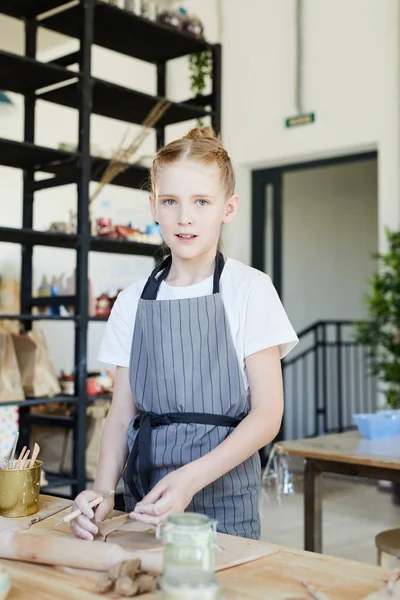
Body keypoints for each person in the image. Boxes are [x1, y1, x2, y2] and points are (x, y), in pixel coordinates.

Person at [70, 126, 298, 541]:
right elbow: (122, 414)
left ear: (228, 208)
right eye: (171, 201)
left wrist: (190, 479)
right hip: (144, 503)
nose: (185, 217)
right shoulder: (131, 300)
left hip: (224, 505)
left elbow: (267, 415)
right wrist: (103, 491)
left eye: (201, 202)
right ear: (153, 206)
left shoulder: (250, 290)